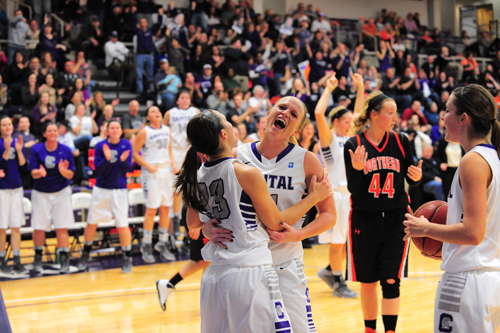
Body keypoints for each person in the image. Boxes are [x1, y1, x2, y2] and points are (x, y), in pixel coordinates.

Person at [176, 109, 332, 332]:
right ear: (223, 134)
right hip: (249, 270)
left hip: (215, 274)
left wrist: (207, 230)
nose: (233, 125)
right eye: (228, 122)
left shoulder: (199, 172)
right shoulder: (246, 172)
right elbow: (276, 224)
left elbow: (192, 222)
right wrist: (314, 198)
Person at [403, 84, 500, 333]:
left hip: (467, 280)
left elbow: (472, 233)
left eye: (447, 110)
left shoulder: (472, 161)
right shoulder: (492, 159)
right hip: (487, 278)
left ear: (464, 118)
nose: (442, 117)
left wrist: (426, 228)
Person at [344, 91, 423, 333]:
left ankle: (390, 331)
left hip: (395, 219)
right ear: (374, 115)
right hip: (364, 219)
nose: (395, 117)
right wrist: (357, 170)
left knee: (391, 280)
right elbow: (354, 190)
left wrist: (418, 179)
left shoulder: (401, 141)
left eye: (396, 112)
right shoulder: (354, 144)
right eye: (390, 112)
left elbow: (412, 176)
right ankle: (370, 330)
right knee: (367, 283)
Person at [315, 72, 364, 299]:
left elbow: (359, 113)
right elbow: (318, 113)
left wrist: (360, 86)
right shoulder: (330, 140)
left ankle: (329, 271)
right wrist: (328, 88)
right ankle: (337, 282)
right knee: (338, 244)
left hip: (349, 196)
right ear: (336, 122)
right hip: (334, 197)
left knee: (343, 244)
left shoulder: (349, 138)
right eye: (346, 122)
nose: (350, 125)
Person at [156, 153, 210, 311]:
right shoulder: (197, 152)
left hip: (202, 212)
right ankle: (208, 303)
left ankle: (168, 284)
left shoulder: (212, 151)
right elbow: (191, 185)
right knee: (208, 260)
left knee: (200, 260)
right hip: (197, 212)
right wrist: (195, 223)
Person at [78, 120, 133, 273]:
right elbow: (99, 170)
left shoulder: (126, 145)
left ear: (121, 131)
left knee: (122, 225)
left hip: (120, 190)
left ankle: (127, 258)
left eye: (117, 128)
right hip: (101, 189)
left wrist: (122, 162)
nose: (115, 130)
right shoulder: (100, 146)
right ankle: (86, 253)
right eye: (112, 128)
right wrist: (108, 160)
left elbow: (127, 169)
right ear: (107, 131)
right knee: (91, 223)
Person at [133, 106, 179, 263]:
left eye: (158, 110)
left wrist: (173, 164)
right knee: (151, 210)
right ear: (147, 117)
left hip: (166, 171)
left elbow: (169, 150)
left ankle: (162, 242)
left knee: (166, 208)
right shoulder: (144, 132)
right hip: (151, 172)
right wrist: (148, 166)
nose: (157, 112)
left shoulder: (167, 129)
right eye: (152, 111)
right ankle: (146, 245)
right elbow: (134, 153)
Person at [30, 122, 75, 274]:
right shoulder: (37, 149)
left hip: (61, 192)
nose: (52, 133)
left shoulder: (66, 150)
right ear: (44, 134)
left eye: (54, 130)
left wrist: (63, 171)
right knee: (39, 227)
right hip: (41, 192)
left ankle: (64, 258)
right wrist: (40, 173)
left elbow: (71, 174)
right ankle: (37, 258)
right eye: (49, 131)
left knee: (61, 226)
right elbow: (32, 172)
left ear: (58, 133)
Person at [162, 91, 199, 238]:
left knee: (190, 190)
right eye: (182, 98)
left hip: (190, 151)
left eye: (187, 98)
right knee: (177, 189)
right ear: (177, 100)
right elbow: (164, 132)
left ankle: (187, 225)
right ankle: (176, 222)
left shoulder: (195, 112)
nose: (184, 100)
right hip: (175, 153)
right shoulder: (170, 113)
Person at [0, 116, 27, 273]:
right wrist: (7, 150)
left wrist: (18, 150)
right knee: (2, 227)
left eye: (9, 124)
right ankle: (2, 260)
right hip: (2, 189)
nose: (7, 127)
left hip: (16, 188)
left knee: (16, 226)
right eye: (4, 125)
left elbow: (23, 167)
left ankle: (17, 260)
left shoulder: (18, 142)